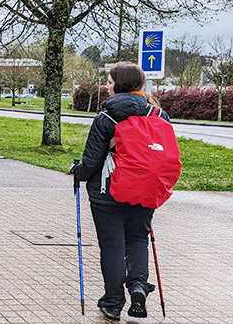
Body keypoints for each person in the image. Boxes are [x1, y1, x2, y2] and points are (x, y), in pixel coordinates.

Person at [71, 62, 171, 321]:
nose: (106, 85)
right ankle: (138, 285)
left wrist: (77, 171)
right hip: (146, 189)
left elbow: (92, 161)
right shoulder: (158, 115)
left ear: (120, 84)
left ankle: (113, 302)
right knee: (138, 239)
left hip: (108, 192)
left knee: (112, 244)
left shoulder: (106, 117)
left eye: (109, 81)